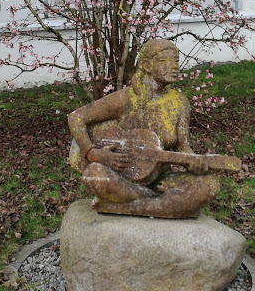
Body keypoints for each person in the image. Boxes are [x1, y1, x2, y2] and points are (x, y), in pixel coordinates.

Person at [68, 39, 220, 218]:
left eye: (176, 61)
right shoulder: (126, 99)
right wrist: (93, 153)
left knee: (209, 184)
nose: (173, 66)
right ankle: (166, 205)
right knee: (95, 174)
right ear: (147, 65)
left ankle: (135, 203)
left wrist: (194, 163)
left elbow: (183, 147)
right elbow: (76, 117)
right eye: (164, 61)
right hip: (122, 177)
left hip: (160, 178)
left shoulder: (180, 103)